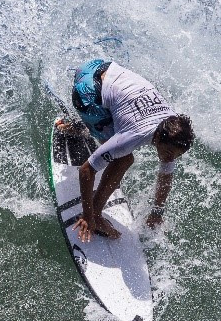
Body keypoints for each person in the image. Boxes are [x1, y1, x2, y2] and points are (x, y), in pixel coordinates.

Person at [59, 59, 194, 242]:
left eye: (177, 156)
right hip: (87, 89)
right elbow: (86, 170)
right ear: (159, 139)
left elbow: (166, 175)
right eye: (170, 154)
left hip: (99, 67)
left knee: (114, 132)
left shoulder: (170, 128)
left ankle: (80, 125)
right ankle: (97, 217)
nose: (171, 159)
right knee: (123, 159)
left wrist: (157, 212)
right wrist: (88, 215)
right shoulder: (136, 135)